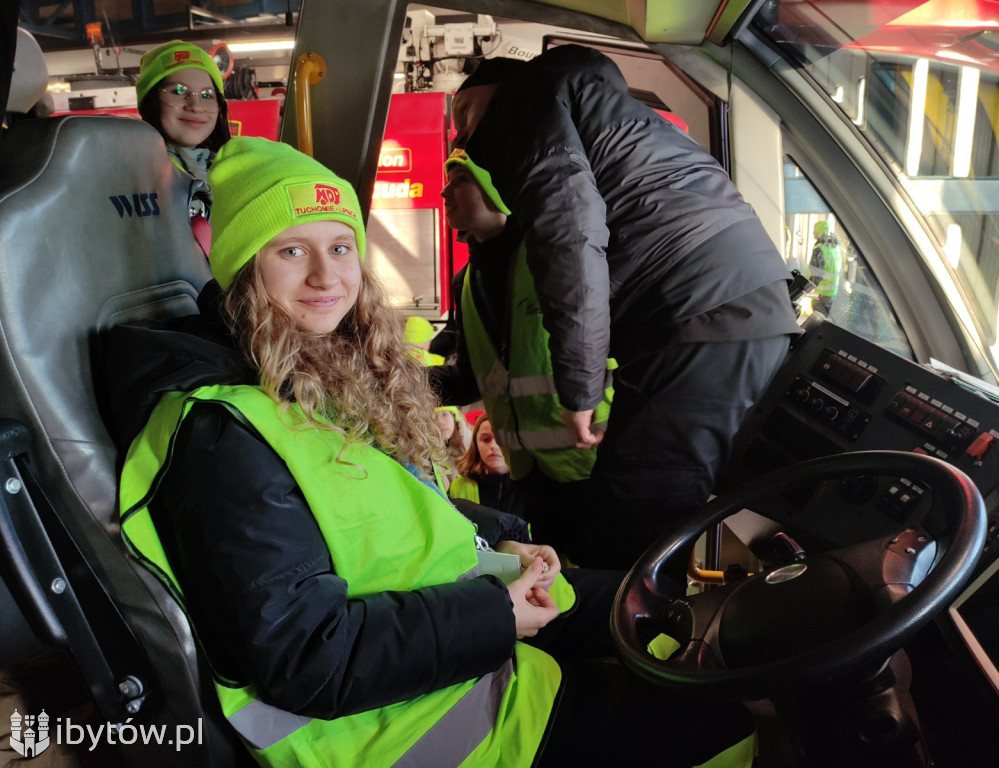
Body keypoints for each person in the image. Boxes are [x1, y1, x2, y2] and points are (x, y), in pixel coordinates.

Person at [102, 136, 757, 768]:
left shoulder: (310, 375)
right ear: (245, 266)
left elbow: (382, 523)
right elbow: (308, 660)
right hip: (408, 729)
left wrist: (498, 547)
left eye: (340, 246)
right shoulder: (226, 435)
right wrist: (495, 614)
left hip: (455, 646)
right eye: (291, 251)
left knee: (658, 607)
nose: (327, 275)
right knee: (727, 724)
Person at [451, 46, 802, 568]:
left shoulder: (524, 104)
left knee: (634, 520)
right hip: (729, 305)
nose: (463, 136)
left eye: (464, 116)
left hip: (699, 310)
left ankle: (637, 645)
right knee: (651, 509)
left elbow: (569, 237)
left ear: (494, 97)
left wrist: (580, 388)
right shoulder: (604, 113)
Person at [434, 148, 612, 561]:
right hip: (532, 476)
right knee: (559, 585)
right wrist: (390, 380)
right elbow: (471, 378)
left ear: (500, 190)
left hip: (597, 464)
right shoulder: (467, 281)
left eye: (462, 180)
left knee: (610, 583)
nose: (445, 191)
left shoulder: (555, 262)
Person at [135, 40, 231, 184]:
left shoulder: (230, 167)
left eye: (207, 95)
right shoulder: (132, 173)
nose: (196, 106)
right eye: (179, 91)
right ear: (152, 100)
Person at [448, 414, 527, 520]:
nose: (494, 446)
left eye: (502, 439)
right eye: (486, 439)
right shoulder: (459, 486)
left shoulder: (531, 486)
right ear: (476, 444)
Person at [808, 219, 842, 315]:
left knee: (820, 317)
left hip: (823, 291)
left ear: (819, 232)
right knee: (828, 316)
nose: (813, 232)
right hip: (833, 291)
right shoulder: (835, 248)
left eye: (815, 230)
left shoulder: (820, 249)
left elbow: (817, 273)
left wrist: (807, 288)